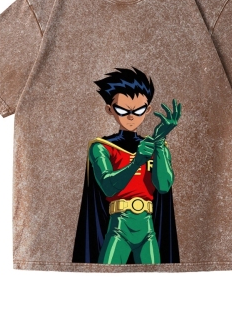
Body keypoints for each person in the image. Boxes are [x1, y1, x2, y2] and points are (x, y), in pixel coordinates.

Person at [72, 66, 182, 264]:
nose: (131, 116)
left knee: (156, 278)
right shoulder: (101, 147)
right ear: (109, 109)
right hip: (118, 226)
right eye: (123, 110)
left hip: (147, 227)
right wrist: (136, 162)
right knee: (106, 275)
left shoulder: (155, 146)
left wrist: (159, 143)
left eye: (139, 110)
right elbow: (107, 185)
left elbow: (164, 186)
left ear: (148, 110)